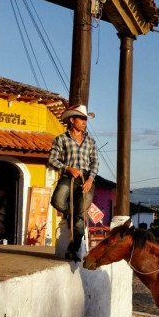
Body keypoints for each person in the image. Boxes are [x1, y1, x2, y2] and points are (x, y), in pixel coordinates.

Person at [48, 103, 98, 262]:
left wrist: (90, 179)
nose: (84, 122)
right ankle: (72, 213)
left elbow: (95, 162)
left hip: (85, 178)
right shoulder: (61, 139)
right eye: (82, 119)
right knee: (57, 201)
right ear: (72, 120)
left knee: (81, 216)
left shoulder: (90, 141)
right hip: (68, 177)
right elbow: (52, 159)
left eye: (85, 119)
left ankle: (73, 249)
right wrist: (67, 168)